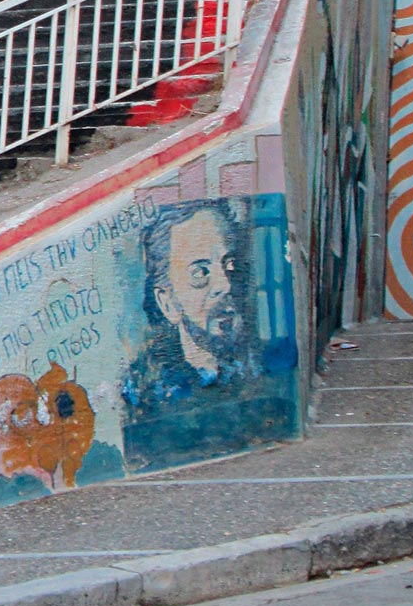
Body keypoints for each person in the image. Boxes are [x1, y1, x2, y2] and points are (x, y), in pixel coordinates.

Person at [120, 201, 295, 470]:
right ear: (168, 303)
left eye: (231, 265)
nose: (224, 285)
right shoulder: (144, 393)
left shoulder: (272, 367)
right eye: (200, 273)